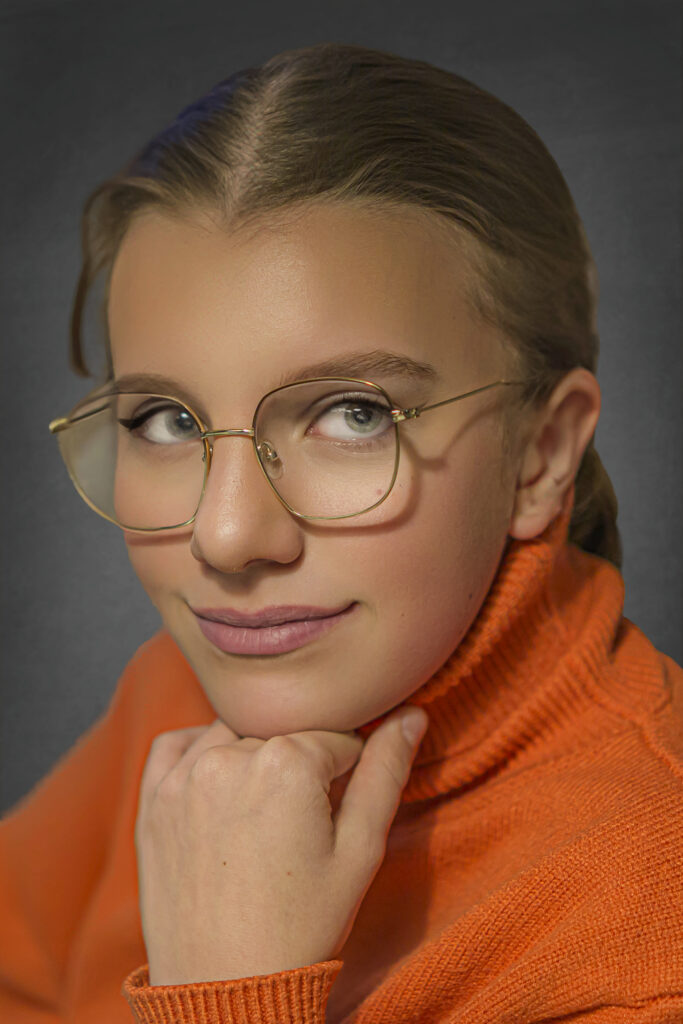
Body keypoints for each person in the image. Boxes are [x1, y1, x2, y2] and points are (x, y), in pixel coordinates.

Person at [1, 41, 681, 1024]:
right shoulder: (181, 695)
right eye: (167, 422)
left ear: (540, 454)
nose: (226, 538)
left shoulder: (646, 945)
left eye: (354, 413)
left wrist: (228, 999)